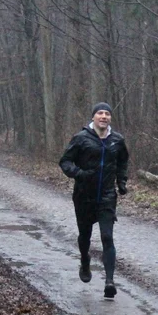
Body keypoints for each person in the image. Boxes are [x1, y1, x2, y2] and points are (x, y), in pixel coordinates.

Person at [59, 102, 129, 298]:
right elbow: (64, 161)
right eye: (100, 113)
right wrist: (79, 174)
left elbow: (123, 161)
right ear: (93, 117)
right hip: (84, 196)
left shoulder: (117, 140)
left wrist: (121, 181)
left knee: (107, 237)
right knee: (85, 237)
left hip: (107, 196)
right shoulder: (81, 138)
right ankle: (84, 259)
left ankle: (109, 281)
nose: (104, 116)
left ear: (110, 119)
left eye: (107, 114)